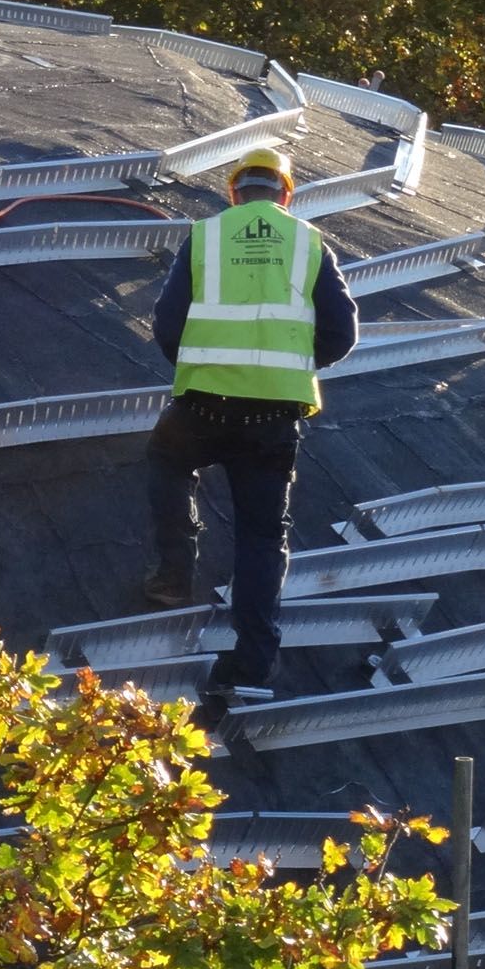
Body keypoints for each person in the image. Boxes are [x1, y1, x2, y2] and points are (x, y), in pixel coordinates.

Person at [144, 146, 359, 696]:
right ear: (285, 194)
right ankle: (257, 656)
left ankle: (174, 576)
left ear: (234, 191)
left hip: (203, 403)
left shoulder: (207, 236)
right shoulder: (310, 243)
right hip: (273, 415)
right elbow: (341, 335)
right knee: (262, 536)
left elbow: (168, 324)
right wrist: (287, 366)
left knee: (168, 463)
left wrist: (203, 366)